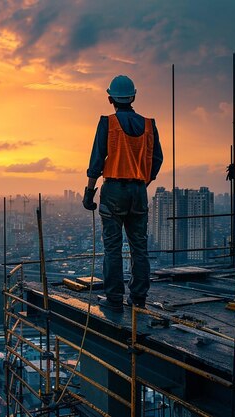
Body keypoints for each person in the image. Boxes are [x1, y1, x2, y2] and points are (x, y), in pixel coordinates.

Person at [82, 75, 163, 312]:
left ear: (110, 99)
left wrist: (89, 192)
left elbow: (97, 161)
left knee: (113, 248)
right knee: (140, 248)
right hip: (139, 191)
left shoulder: (108, 123)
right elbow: (157, 159)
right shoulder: (149, 125)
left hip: (114, 190)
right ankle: (139, 299)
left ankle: (114, 298)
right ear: (133, 97)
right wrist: (141, 182)